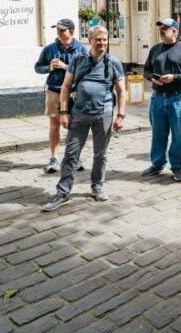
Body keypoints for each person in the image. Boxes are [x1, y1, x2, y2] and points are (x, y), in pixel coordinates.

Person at [43, 26, 125, 211]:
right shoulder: (78, 60)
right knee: (71, 154)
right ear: (90, 40)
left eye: (105, 40)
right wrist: (64, 112)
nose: (102, 43)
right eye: (98, 40)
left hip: (103, 115)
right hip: (79, 114)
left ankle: (97, 185)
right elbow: (65, 87)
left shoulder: (113, 62)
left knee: (100, 154)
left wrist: (120, 115)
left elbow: (121, 91)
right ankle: (62, 192)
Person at [142, 18, 181, 182]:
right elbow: (147, 69)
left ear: (174, 31)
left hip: (178, 98)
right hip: (158, 98)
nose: (161, 30)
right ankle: (158, 164)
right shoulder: (155, 49)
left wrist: (174, 77)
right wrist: (152, 78)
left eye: (165, 28)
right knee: (158, 133)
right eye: (160, 28)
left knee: (178, 134)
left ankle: (177, 167)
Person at [34, 18, 87, 173]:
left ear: (71, 31)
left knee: (74, 127)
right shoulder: (49, 49)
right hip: (54, 91)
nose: (58, 32)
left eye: (62, 29)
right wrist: (49, 68)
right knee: (54, 126)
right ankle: (54, 158)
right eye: (57, 29)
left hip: (74, 93)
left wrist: (65, 66)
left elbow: (84, 71)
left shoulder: (81, 49)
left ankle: (74, 157)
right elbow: (37, 67)